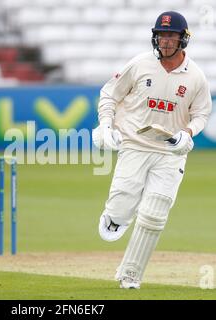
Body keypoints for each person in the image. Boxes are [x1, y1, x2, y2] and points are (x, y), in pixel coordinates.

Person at [92, 11, 212, 289]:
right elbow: (110, 94)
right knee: (122, 206)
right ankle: (116, 216)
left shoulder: (195, 76)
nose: (165, 41)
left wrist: (188, 133)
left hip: (170, 152)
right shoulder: (139, 63)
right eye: (161, 35)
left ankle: (130, 275)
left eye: (171, 36)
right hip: (134, 144)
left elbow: (202, 114)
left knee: (155, 213)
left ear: (183, 39)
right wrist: (106, 124)